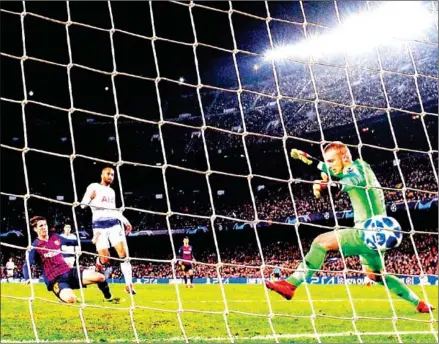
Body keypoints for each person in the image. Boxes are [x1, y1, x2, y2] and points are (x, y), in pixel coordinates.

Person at [265, 142, 434, 313]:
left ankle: (291, 284)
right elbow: (333, 171)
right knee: (376, 276)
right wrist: (310, 160)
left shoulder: (356, 171)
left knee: (320, 242)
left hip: (366, 231)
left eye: (331, 161)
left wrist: (329, 186)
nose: (329, 166)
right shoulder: (359, 168)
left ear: (345, 158)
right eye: (327, 162)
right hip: (377, 235)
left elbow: (349, 181)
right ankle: (419, 303)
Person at [22, 216, 119, 304]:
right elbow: (27, 264)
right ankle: (63, 295)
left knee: (100, 277)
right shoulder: (35, 246)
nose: (44, 227)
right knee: (71, 300)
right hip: (56, 280)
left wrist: (91, 241)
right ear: (35, 229)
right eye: (40, 226)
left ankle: (109, 298)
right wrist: (27, 278)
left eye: (45, 225)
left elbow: (73, 242)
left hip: (70, 272)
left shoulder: (55, 237)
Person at [81, 167, 135, 295]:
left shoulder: (111, 192)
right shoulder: (93, 186)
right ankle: (98, 263)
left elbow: (113, 210)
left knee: (123, 254)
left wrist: (125, 221)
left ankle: (129, 285)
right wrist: (90, 198)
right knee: (105, 259)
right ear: (102, 174)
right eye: (108, 174)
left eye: (112, 174)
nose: (111, 176)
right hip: (99, 226)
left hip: (114, 224)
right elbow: (83, 205)